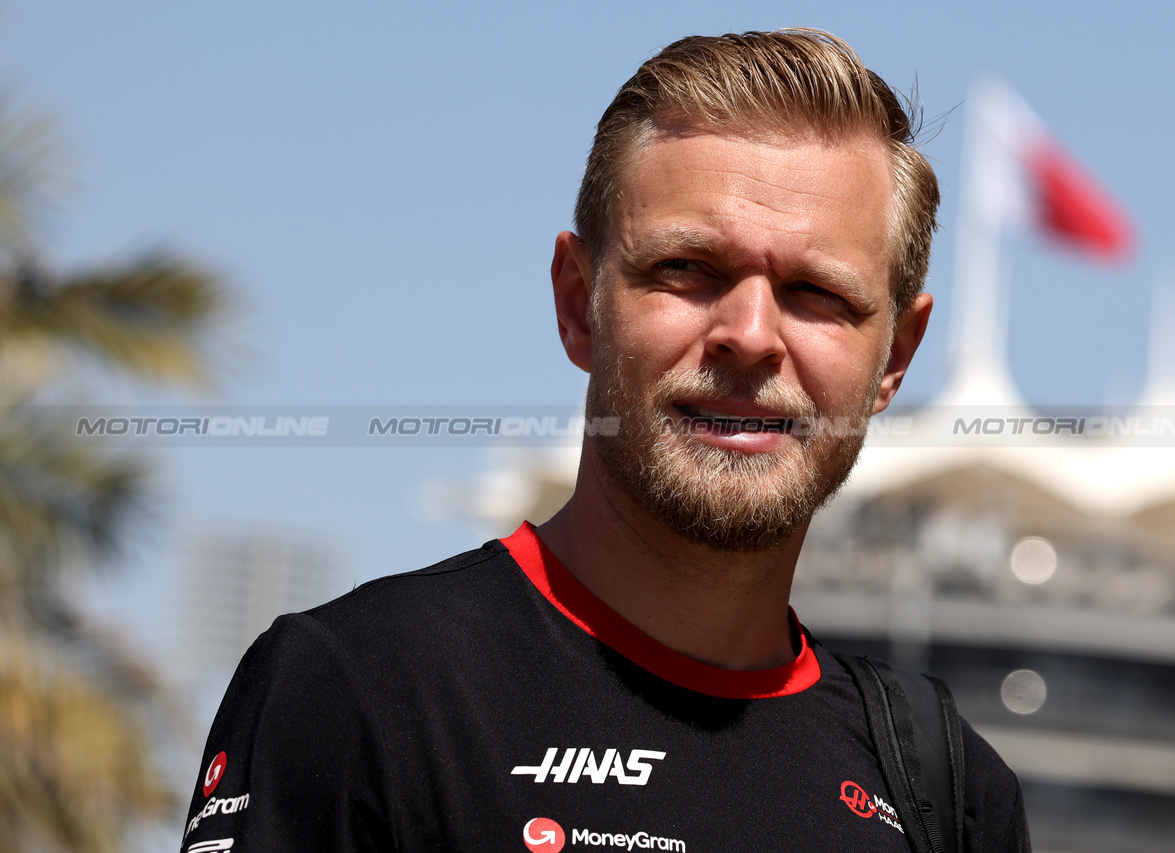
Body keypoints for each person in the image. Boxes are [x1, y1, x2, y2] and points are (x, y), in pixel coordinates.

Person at [181, 29, 1030, 853]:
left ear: (896, 358)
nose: (750, 334)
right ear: (576, 300)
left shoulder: (950, 795)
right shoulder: (359, 688)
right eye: (687, 269)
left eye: (816, 292)